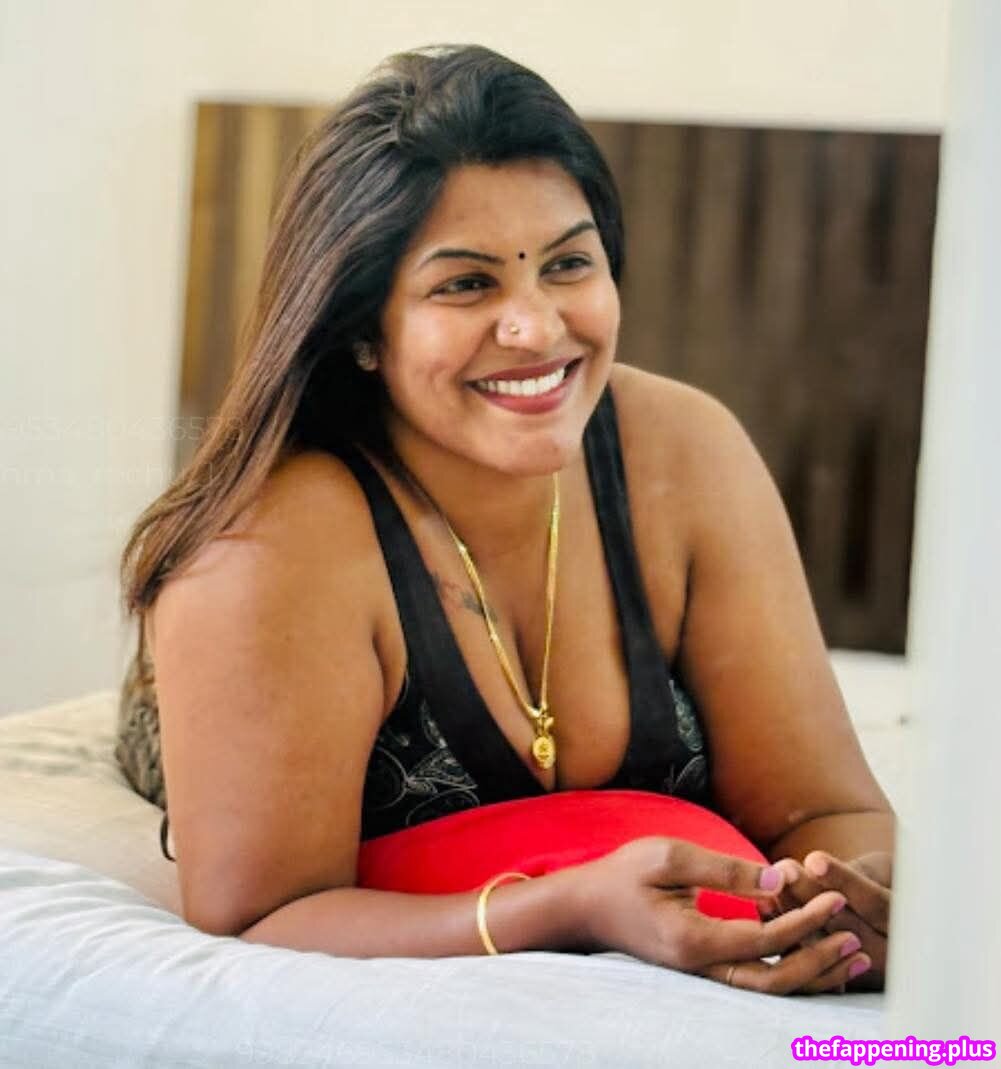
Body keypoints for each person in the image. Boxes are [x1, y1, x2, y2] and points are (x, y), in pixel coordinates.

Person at [118, 43, 894, 995]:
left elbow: (825, 809)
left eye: (567, 265)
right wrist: (565, 907)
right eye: (466, 283)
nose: (536, 327)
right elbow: (255, 913)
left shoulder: (688, 453)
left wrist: (848, 905)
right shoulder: (265, 548)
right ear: (362, 329)